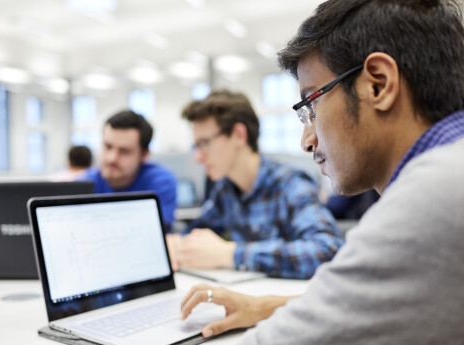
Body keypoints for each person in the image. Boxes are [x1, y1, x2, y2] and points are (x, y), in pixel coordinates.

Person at [179, 0, 464, 343]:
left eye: (311, 105)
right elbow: (367, 301)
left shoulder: (432, 196)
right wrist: (271, 305)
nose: (307, 140)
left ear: (378, 84)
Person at [166, 89, 343, 279]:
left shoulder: (290, 184)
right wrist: (177, 243)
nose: (197, 157)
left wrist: (231, 254)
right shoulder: (226, 191)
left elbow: (328, 251)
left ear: (238, 135)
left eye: (204, 143)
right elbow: (195, 231)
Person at [85, 110, 177, 229]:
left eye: (124, 151)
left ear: (144, 155)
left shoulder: (160, 181)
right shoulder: (86, 184)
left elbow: (153, 233)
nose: (112, 158)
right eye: (107, 147)